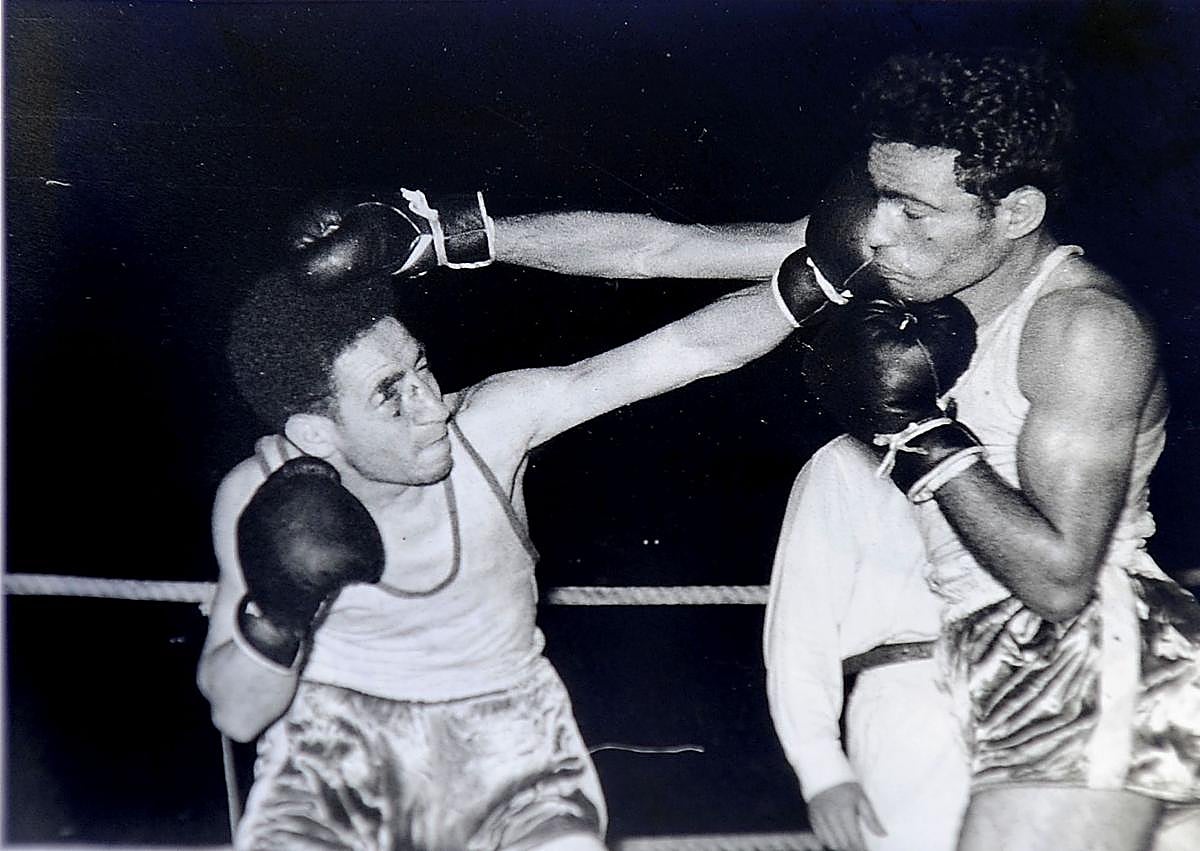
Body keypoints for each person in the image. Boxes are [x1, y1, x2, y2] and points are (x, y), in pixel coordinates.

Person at [197, 179, 876, 850]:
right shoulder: (255, 490)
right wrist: (280, 617)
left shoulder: (491, 427)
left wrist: (822, 279)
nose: (433, 405)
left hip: (513, 746)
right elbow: (235, 708)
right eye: (389, 396)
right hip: (332, 760)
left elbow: (685, 351)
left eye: (421, 368)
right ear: (315, 435)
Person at [802, 50, 1200, 851]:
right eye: (880, 196)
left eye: (913, 210)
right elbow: (667, 250)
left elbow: (1060, 579)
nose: (878, 231)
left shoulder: (1082, 327)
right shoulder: (928, 263)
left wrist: (917, 432)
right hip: (999, 654)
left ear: (1014, 213)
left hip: (1089, 648)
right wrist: (478, 230)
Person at [764, 434, 970, 851]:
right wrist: (822, 770)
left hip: (1042, 684)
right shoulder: (847, 460)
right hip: (915, 703)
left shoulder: (1022, 431)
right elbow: (801, 632)